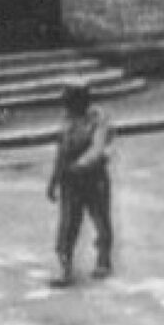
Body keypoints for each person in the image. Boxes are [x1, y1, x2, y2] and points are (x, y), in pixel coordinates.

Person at [46, 82, 114, 287]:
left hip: (94, 177)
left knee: (100, 219)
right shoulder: (66, 123)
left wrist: (78, 166)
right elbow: (61, 152)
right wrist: (54, 180)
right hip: (71, 180)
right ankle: (64, 267)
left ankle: (103, 259)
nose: (67, 108)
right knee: (67, 225)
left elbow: (98, 148)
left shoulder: (99, 120)